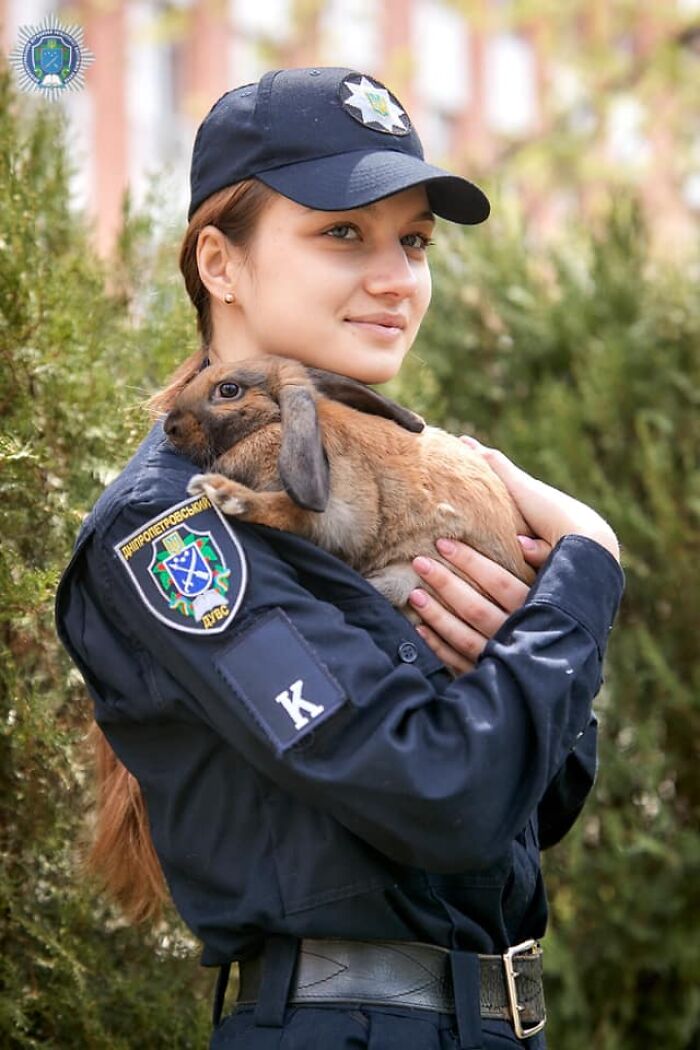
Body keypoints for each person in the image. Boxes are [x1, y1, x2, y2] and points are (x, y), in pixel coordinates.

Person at [55, 67, 624, 1049]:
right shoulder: (182, 526)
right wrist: (585, 569)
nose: (397, 277)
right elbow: (444, 799)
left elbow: (534, 808)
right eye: (342, 233)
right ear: (220, 263)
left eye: (413, 241)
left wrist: (513, 645)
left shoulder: (387, 488)